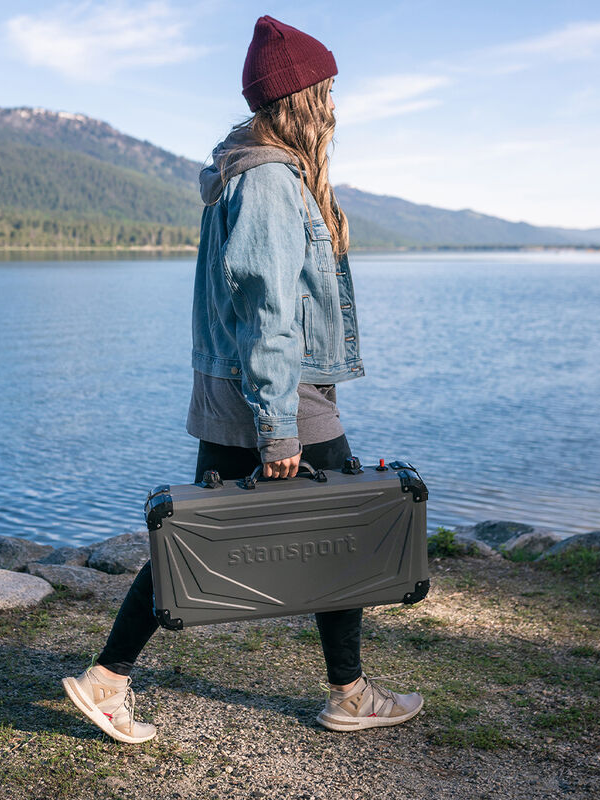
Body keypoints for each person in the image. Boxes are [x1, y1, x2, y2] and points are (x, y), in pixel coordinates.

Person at [61, 14, 423, 744]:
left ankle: (110, 678)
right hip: (277, 392)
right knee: (340, 531)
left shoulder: (257, 172)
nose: (334, 107)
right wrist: (278, 424)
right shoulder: (266, 180)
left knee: (198, 537)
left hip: (249, 388)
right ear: (305, 101)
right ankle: (346, 693)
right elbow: (267, 309)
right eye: (328, 91)